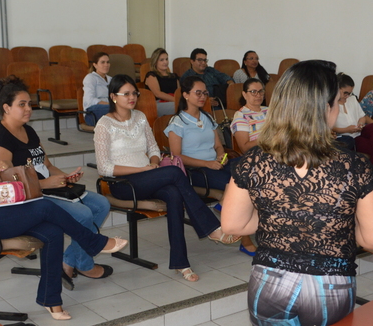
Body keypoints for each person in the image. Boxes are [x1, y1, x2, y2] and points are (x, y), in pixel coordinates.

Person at [221, 60, 373, 326]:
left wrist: (283, 217)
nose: (339, 109)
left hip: (269, 282)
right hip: (329, 285)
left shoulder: (254, 161)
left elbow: (233, 224)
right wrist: (326, 222)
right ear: (325, 108)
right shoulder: (354, 167)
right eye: (337, 103)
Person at [0, 89, 127, 321]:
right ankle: (93, 242)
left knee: (52, 232)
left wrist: (2, 173)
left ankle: (50, 299)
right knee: (43, 207)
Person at [94, 74, 240, 282]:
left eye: (134, 93)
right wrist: (143, 170)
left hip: (148, 176)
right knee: (173, 173)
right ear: (113, 97)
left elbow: (154, 148)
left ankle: (181, 263)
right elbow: (105, 167)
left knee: (173, 193)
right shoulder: (104, 124)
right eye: (126, 94)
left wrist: (153, 163)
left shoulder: (140, 117)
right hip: (122, 184)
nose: (132, 97)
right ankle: (210, 227)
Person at [0, 76, 113, 280]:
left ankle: (70, 260)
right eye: (22, 104)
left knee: (101, 203)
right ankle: (84, 264)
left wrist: (65, 176)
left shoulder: (28, 130)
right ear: (6, 108)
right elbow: (7, 186)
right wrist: (45, 184)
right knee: (83, 214)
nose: (28, 109)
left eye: (29, 104)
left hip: (48, 188)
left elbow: (47, 165)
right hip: (30, 198)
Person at [166, 76, 257, 256]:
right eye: (197, 93)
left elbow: (218, 146)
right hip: (196, 170)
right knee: (235, 182)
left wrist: (220, 156)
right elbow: (177, 157)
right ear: (185, 95)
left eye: (205, 93)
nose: (202, 97)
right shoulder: (177, 123)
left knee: (249, 166)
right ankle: (244, 237)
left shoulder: (207, 117)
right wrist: (207, 163)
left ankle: (230, 211)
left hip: (215, 165)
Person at [333, 73, 373, 167]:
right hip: (347, 138)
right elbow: (329, 128)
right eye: (345, 93)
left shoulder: (352, 99)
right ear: (336, 89)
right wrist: (347, 130)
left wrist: (360, 124)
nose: (348, 96)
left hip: (359, 132)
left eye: (350, 93)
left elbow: (363, 116)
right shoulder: (330, 104)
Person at [230, 78, 268, 153]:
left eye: (261, 91)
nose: (258, 95)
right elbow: (244, 148)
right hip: (257, 155)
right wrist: (268, 138)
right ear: (244, 94)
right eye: (253, 92)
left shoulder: (270, 110)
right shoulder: (241, 116)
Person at [144, 47, 179, 116]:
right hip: (158, 103)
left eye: (166, 59)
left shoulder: (174, 76)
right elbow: (158, 94)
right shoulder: (151, 75)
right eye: (161, 60)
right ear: (155, 62)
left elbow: (178, 91)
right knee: (184, 107)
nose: (165, 62)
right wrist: (177, 100)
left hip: (174, 101)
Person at [83, 51, 112, 126]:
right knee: (117, 109)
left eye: (108, 62)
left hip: (109, 107)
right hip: (92, 113)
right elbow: (90, 100)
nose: (106, 65)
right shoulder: (90, 78)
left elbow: (115, 97)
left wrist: (116, 103)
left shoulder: (111, 79)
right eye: (102, 62)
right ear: (95, 65)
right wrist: (110, 104)